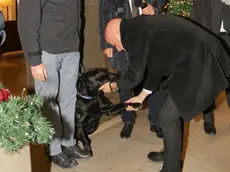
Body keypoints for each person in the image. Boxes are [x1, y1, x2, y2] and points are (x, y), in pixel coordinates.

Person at [99, 15, 230, 172]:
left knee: (167, 116)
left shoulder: (132, 33)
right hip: (197, 56)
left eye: (115, 44)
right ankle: (171, 154)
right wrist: (141, 96)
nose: (119, 49)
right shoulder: (140, 26)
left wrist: (114, 86)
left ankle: (171, 168)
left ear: (118, 33)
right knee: (171, 112)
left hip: (200, 61)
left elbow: (135, 75)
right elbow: (157, 67)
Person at [17, 0, 90, 168]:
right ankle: (53, 149)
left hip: (71, 49)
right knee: (48, 103)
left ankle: (68, 142)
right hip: (47, 50)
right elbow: (28, 20)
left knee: (69, 99)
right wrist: (34, 59)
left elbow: (77, 16)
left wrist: (78, 47)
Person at [99, 0, 167, 138]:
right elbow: (103, 16)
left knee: (151, 78)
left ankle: (155, 120)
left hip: (147, 40)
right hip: (119, 40)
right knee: (125, 82)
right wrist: (106, 43)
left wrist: (155, 8)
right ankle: (127, 120)